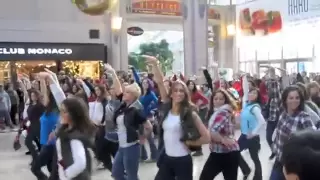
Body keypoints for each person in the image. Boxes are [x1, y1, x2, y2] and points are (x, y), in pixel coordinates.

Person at [145, 55, 210, 180]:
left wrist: (191, 142)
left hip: (183, 161)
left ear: (185, 94)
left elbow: (207, 137)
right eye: (176, 90)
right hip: (167, 159)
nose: (178, 93)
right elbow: (160, 82)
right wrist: (155, 64)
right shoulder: (167, 107)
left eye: (181, 91)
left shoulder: (190, 113)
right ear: (172, 93)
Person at [105, 64, 153, 180]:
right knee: (116, 173)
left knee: (132, 176)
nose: (124, 94)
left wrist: (143, 137)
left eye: (127, 92)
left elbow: (148, 126)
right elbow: (118, 89)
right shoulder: (123, 106)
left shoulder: (136, 109)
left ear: (132, 95)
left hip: (131, 146)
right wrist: (112, 72)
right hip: (121, 146)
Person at [270, 86, 316, 180]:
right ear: (285, 100)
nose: (294, 100)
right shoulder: (283, 114)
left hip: (292, 166)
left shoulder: (303, 117)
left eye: (297, 98)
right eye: (291, 98)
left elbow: (313, 140)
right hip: (279, 160)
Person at [199, 88, 240, 180]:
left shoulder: (223, 112)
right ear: (212, 100)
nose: (218, 101)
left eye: (221, 99)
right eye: (215, 99)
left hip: (225, 153)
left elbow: (213, 131)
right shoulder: (217, 112)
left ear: (225, 100)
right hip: (222, 152)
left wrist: (222, 139)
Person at [238, 75, 265, 180]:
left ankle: (258, 177)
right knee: (234, 152)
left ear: (257, 97)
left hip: (252, 138)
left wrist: (253, 132)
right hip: (243, 135)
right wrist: (244, 77)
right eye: (251, 92)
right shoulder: (246, 104)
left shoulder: (255, 108)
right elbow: (245, 90)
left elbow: (262, 121)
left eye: (254, 93)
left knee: (255, 158)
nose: (251, 94)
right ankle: (246, 170)